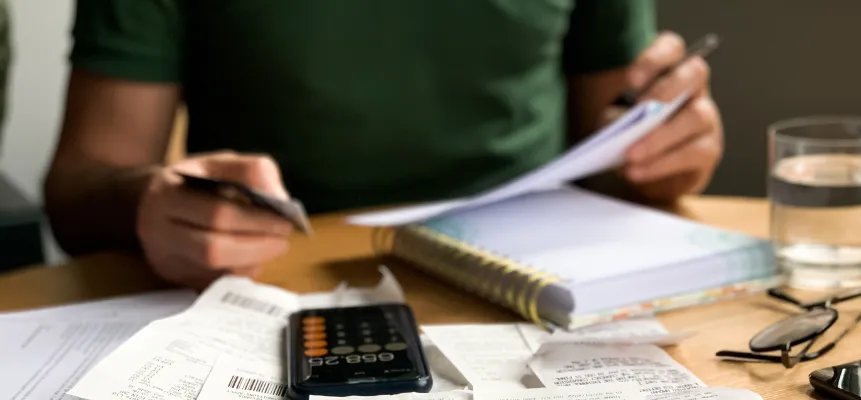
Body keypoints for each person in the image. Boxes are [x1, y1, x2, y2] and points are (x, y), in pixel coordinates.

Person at [44, 1, 723, 289]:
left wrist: (668, 154)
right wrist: (150, 203)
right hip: (267, 282)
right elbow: (79, 189)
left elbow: (623, 140)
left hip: (535, 280)